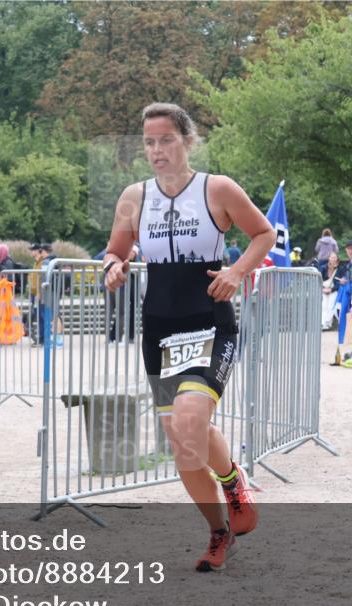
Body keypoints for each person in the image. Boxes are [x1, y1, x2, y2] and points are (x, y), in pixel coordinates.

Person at [102, 102, 274, 572]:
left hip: (209, 321)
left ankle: (232, 480)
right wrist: (114, 268)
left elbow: (264, 233)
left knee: (192, 417)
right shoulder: (133, 197)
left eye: (166, 140)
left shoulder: (216, 188)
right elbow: (115, 252)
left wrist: (238, 272)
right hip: (159, 326)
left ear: (188, 140)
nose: (157, 151)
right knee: (182, 441)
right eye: (149, 143)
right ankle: (219, 532)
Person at [332, 238, 352, 364]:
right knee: (350, 326)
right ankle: (351, 352)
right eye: (348, 248)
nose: (350, 251)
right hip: (350, 298)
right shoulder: (349, 265)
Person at [108, 244, 139, 344]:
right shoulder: (122, 263)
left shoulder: (138, 264)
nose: (131, 254)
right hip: (123, 290)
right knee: (120, 313)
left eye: (133, 252)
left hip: (133, 291)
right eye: (130, 252)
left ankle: (130, 336)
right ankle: (113, 335)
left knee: (131, 313)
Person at [321, 253, 341, 330]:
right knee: (324, 305)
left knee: (331, 305)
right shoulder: (323, 268)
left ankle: (328, 322)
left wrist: (331, 290)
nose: (332, 259)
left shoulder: (339, 269)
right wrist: (323, 289)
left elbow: (339, 283)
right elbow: (319, 279)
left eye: (334, 257)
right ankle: (323, 323)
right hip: (323, 289)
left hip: (333, 290)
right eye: (331, 257)